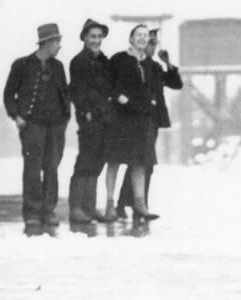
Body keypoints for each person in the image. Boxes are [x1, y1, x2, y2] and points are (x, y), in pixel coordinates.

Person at [4, 23, 72, 237]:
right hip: (31, 125)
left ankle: (49, 210)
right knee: (32, 168)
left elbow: (65, 95)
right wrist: (16, 115)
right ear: (47, 43)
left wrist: (64, 119)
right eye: (56, 42)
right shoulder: (22, 65)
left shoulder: (58, 67)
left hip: (55, 125)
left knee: (52, 167)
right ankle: (32, 211)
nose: (59, 46)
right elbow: (9, 94)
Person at [117, 28, 182, 227]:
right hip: (135, 118)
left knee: (146, 162)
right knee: (138, 160)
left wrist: (168, 63)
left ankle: (137, 203)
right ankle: (129, 203)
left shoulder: (154, 67)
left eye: (154, 43)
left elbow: (176, 83)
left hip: (152, 119)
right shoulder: (134, 64)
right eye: (149, 42)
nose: (151, 46)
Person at [107, 24, 160, 235]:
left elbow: (154, 86)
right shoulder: (119, 59)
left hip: (140, 119)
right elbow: (108, 82)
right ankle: (110, 204)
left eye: (145, 36)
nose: (142, 39)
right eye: (138, 35)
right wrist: (119, 97)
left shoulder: (149, 64)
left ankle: (140, 204)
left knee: (140, 161)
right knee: (115, 160)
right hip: (121, 117)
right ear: (130, 38)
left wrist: (152, 102)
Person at [66, 19, 114, 236]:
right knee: (85, 160)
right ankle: (76, 207)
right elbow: (78, 91)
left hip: (105, 118)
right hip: (89, 118)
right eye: (92, 36)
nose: (96, 40)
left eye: (99, 37)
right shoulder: (79, 61)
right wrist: (86, 112)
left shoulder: (105, 61)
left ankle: (90, 206)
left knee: (98, 160)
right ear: (84, 37)